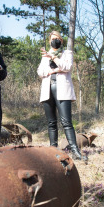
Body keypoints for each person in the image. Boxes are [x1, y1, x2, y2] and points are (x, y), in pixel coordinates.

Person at [37, 31, 84, 160]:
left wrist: (54, 59)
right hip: (47, 89)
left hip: (62, 89)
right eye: (53, 39)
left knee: (66, 121)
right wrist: (53, 70)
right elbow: (40, 72)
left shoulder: (66, 53)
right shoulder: (45, 55)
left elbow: (67, 66)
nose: (55, 40)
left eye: (57, 38)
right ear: (49, 41)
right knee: (51, 122)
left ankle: (75, 150)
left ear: (61, 41)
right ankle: (53, 150)